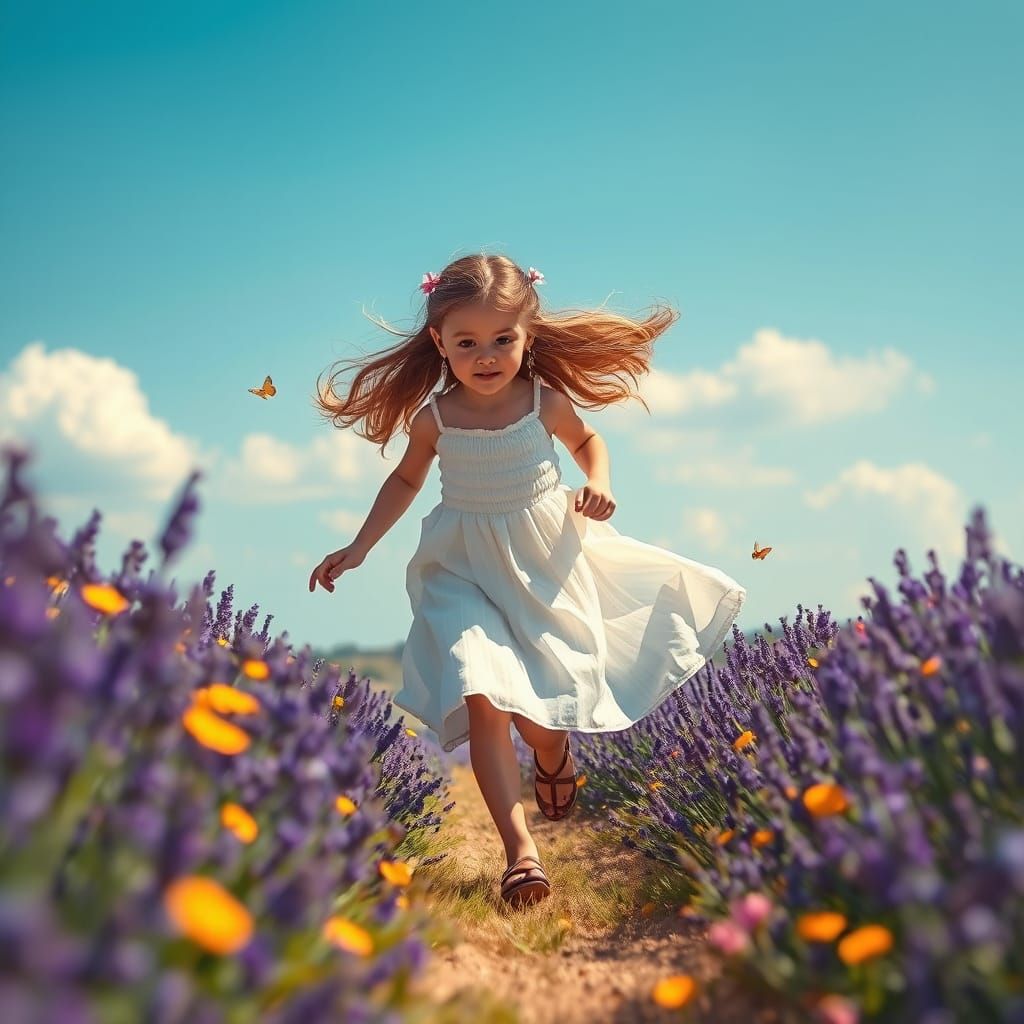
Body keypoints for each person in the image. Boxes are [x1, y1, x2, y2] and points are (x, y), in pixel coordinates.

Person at [308, 253, 747, 909]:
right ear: (440, 343)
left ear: (528, 336)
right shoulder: (435, 418)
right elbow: (404, 481)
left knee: (537, 715)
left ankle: (551, 749)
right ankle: (520, 854)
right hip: (459, 567)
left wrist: (599, 485)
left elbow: (589, 442)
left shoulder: (543, 401)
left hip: (543, 563)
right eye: (467, 343)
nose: (486, 356)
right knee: (481, 690)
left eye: (502, 340)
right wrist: (360, 546)